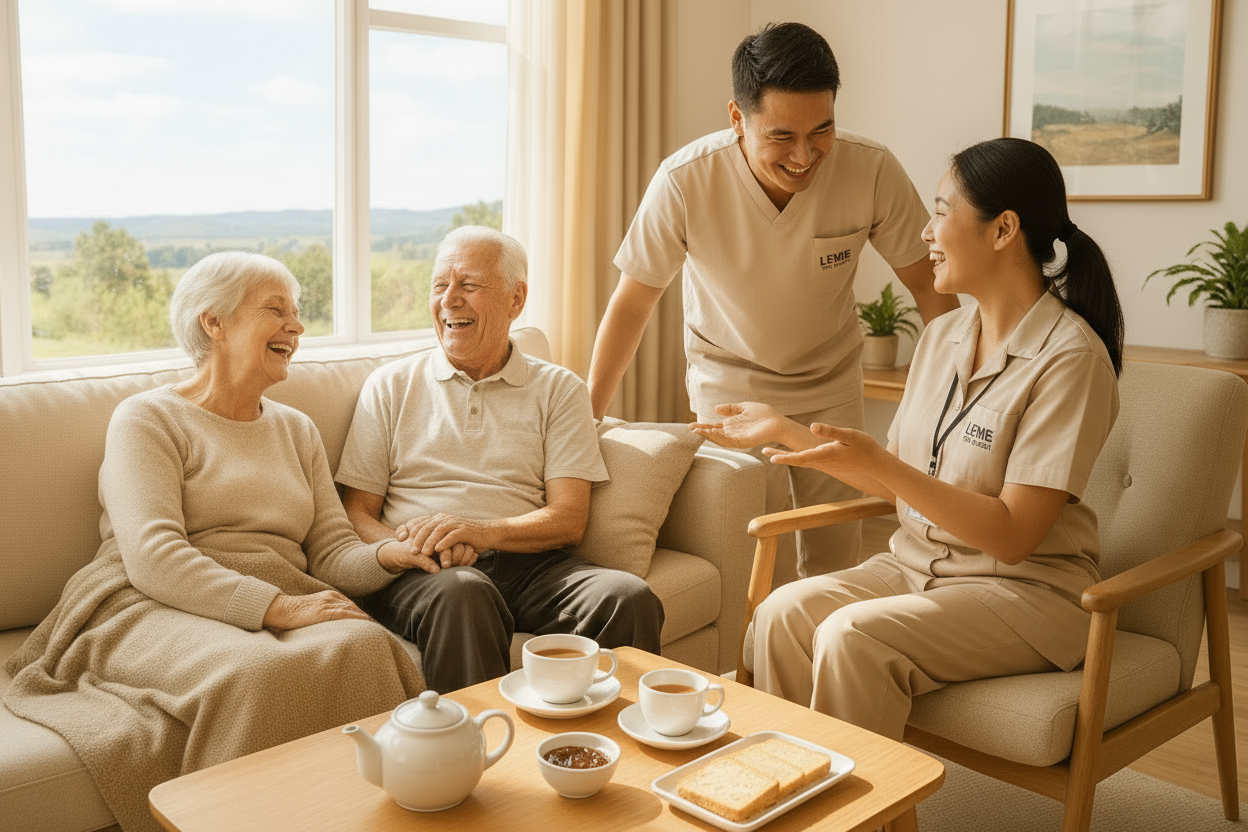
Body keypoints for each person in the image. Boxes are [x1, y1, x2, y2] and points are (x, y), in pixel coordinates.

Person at [692, 137, 1124, 741]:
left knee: (852, 637)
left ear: (1003, 230)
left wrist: (889, 469)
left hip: (1026, 594)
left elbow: (1014, 535)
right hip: (917, 567)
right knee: (780, 614)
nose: (925, 231)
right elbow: (891, 477)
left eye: (942, 212)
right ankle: (789, 791)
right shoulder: (942, 335)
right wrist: (785, 430)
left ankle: (858, 812)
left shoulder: (1069, 359)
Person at [3, 252, 424, 832]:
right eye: (275, 310)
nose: (296, 327)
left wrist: (388, 554)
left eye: (297, 313)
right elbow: (154, 556)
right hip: (141, 601)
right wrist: (278, 607)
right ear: (213, 323)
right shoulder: (147, 419)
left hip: (271, 588)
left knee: (365, 645)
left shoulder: (295, 428)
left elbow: (328, 552)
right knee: (255, 673)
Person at [588, 21, 959, 581]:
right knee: (752, 556)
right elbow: (633, 304)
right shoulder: (686, 181)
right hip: (730, 384)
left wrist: (952, 402)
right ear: (738, 119)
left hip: (829, 382)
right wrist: (586, 418)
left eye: (822, 130)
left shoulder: (871, 168)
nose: (806, 155)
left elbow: (930, 288)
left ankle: (813, 664)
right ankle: (749, 669)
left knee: (836, 553)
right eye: (782, 136)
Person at [337, 225, 664, 694]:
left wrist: (479, 531)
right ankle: (485, 758)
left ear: (516, 299)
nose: (449, 300)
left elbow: (569, 518)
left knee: (628, 598)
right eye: (439, 286)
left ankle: (610, 752)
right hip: (423, 571)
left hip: (527, 565)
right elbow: (357, 513)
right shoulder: (390, 386)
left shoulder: (558, 389)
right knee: (465, 593)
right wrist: (411, 551)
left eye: (469, 285)